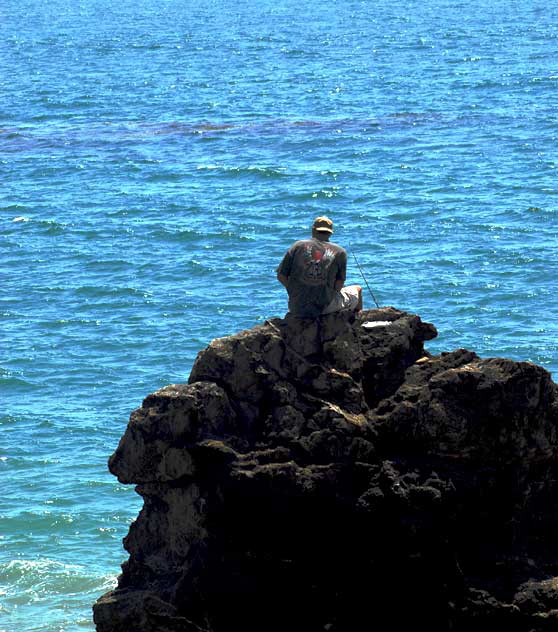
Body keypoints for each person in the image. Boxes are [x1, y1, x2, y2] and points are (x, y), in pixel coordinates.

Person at [277, 216, 363, 318]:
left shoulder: (297, 246)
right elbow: (338, 285)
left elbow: (281, 276)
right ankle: (358, 321)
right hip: (324, 308)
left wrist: (293, 291)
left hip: (296, 307)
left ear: (313, 230)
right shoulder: (340, 252)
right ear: (331, 232)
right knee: (358, 289)